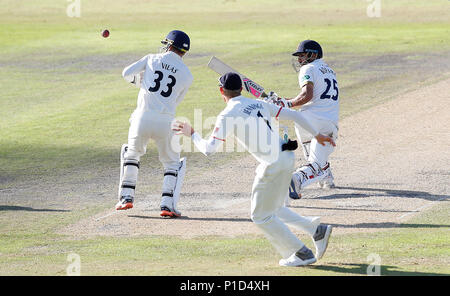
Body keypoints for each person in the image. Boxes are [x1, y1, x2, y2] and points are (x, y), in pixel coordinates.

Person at [173, 72, 334, 266]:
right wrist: (317, 135)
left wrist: (192, 134)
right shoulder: (259, 103)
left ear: (221, 91)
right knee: (274, 209)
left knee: (260, 216)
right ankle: (316, 231)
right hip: (286, 158)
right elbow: (293, 114)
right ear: (241, 88)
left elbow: (208, 149)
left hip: (273, 164)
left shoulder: (228, 114)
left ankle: (301, 253)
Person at [116, 30, 193, 218]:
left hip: (142, 118)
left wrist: (140, 82)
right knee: (172, 164)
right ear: (184, 51)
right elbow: (176, 100)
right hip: (166, 121)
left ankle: (126, 198)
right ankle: (167, 205)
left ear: (169, 45)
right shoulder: (188, 75)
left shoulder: (152, 58)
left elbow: (126, 73)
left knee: (132, 154)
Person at [269, 40, 339, 199]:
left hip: (304, 120)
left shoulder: (308, 68)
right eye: (299, 56)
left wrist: (287, 103)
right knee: (316, 162)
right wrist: (286, 102)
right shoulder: (329, 70)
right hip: (326, 122)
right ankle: (297, 179)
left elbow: (307, 96)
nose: (300, 59)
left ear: (313, 54)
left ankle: (325, 176)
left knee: (314, 157)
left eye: (302, 55)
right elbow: (312, 96)